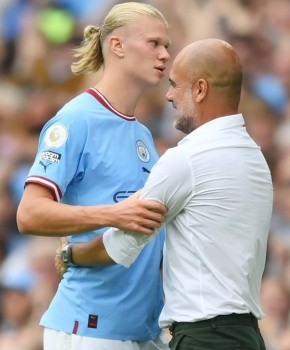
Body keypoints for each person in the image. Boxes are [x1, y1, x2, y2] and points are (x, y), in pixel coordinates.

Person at [61, 38, 273, 350]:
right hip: (247, 336)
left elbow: (122, 246)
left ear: (200, 90)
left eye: (175, 85)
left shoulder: (187, 158)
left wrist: (69, 254)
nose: (169, 95)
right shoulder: (254, 156)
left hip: (206, 337)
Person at [15, 2, 171, 350]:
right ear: (117, 45)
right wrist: (113, 215)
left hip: (140, 330)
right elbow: (29, 214)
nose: (164, 55)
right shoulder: (76, 120)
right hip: (90, 327)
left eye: (167, 47)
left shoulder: (143, 135)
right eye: (154, 43)